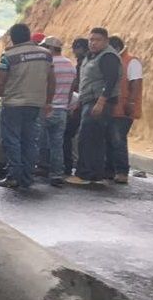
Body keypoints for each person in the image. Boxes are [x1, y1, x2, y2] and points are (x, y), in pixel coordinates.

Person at [0, 23, 55, 189]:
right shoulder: (45, 55)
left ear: (12, 38)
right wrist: (49, 102)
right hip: (35, 104)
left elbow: (0, 83)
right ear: (29, 35)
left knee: (11, 140)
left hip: (13, 104)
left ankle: (13, 176)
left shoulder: (9, 56)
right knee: (30, 141)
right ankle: (27, 177)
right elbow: (51, 80)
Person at [66, 28, 122, 186]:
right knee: (93, 137)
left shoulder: (108, 57)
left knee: (88, 137)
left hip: (98, 101)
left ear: (106, 41)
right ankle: (94, 173)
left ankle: (86, 174)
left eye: (97, 40)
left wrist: (101, 102)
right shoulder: (91, 56)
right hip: (88, 100)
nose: (93, 42)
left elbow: (110, 81)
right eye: (91, 39)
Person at [37, 37, 77, 186]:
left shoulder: (48, 64)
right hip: (62, 111)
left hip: (46, 108)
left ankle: (41, 167)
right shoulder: (70, 66)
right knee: (57, 144)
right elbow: (71, 90)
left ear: (50, 48)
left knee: (39, 141)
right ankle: (56, 175)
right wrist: (66, 107)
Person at [106, 36, 143, 183]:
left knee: (118, 140)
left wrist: (131, 103)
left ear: (114, 47)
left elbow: (135, 84)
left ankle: (122, 171)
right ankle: (109, 170)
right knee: (109, 139)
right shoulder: (114, 60)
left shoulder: (131, 61)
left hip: (124, 109)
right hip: (112, 108)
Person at [62, 38, 89, 174]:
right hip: (80, 102)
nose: (73, 51)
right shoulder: (84, 62)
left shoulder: (84, 62)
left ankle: (69, 166)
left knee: (68, 134)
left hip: (80, 103)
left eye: (75, 48)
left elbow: (79, 83)